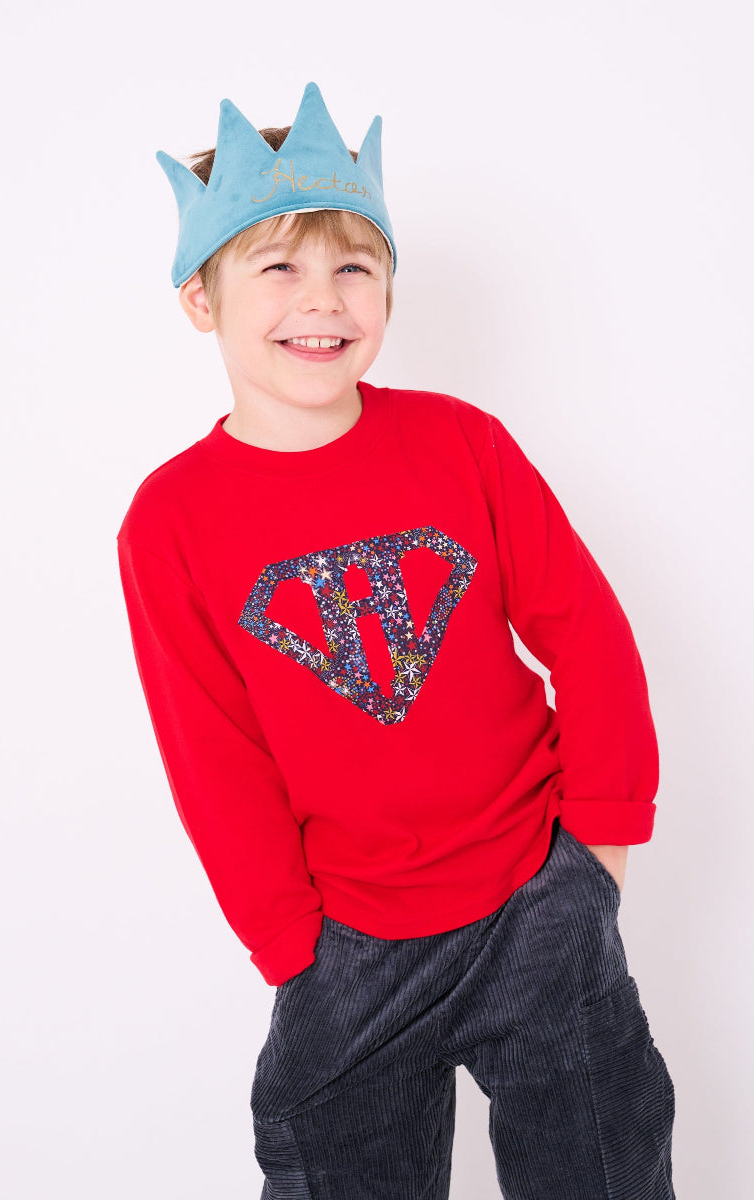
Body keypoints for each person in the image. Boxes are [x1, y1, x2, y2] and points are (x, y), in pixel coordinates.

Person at [116, 81, 676, 1199]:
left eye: (352, 268)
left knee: (604, 1172)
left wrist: (598, 851)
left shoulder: (460, 445)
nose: (320, 301)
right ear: (198, 298)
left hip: (533, 898)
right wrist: (290, 945)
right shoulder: (170, 520)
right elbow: (211, 753)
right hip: (348, 942)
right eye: (275, 268)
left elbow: (586, 629)